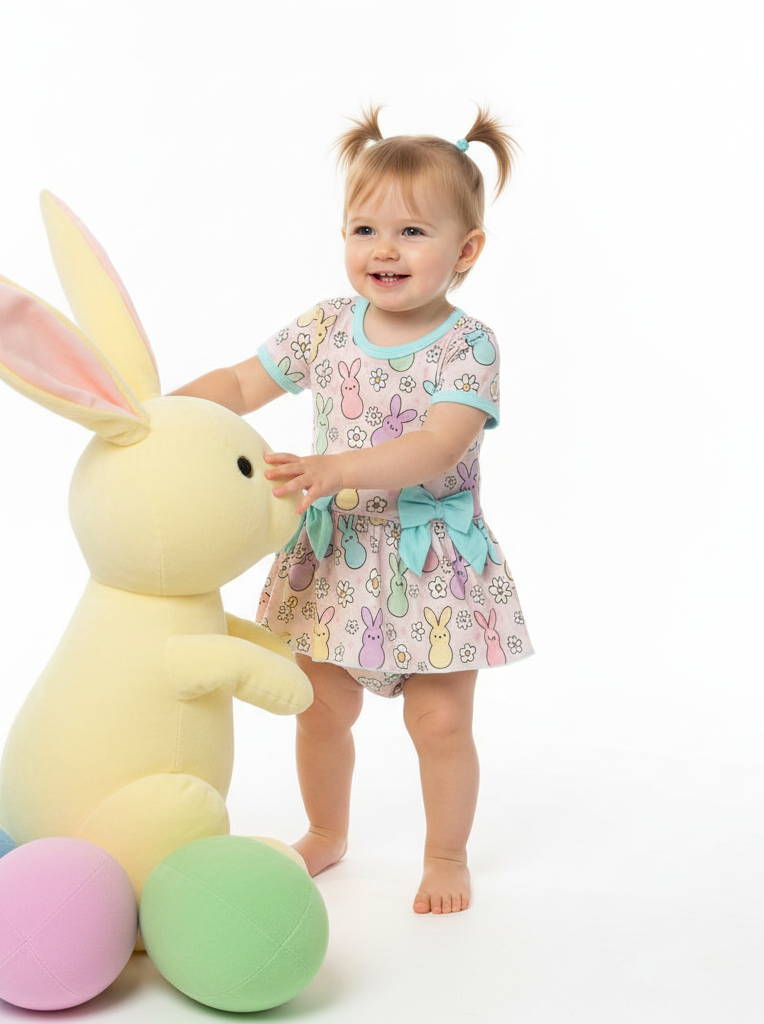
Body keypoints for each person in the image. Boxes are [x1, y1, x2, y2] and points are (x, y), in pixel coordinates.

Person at [172, 106, 532, 914]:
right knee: (321, 709)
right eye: (364, 229)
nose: (383, 250)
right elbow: (242, 382)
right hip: (334, 558)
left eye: (411, 232)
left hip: (429, 562)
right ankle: (326, 831)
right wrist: (168, 409)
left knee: (440, 723)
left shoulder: (468, 346)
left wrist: (335, 467)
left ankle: (446, 854)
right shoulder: (328, 327)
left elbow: (437, 446)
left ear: (466, 250)